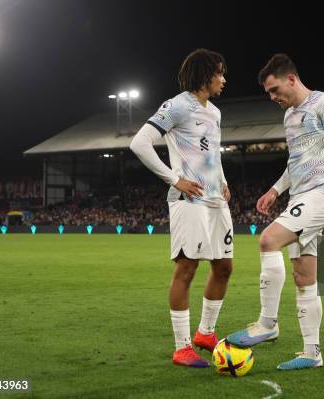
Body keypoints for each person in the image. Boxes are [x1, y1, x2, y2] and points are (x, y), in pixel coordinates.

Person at [226, 54, 324, 370]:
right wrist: (275, 190)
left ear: (292, 79)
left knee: (267, 240)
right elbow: (296, 164)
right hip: (299, 197)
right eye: (268, 93)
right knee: (304, 277)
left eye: (275, 89)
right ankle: (312, 353)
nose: (272, 97)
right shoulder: (290, 117)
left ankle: (267, 323)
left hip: (323, 194)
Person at [129, 48, 232, 368]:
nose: (224, 80)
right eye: (220, 73)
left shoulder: (214, 112)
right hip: (189, 201)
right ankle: (182, 346)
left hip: (216, 199)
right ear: (205, 75)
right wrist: (174, 179)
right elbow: (139, 143)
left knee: (224, 268)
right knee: (187, 268)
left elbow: (211, 153)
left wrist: (224, 180)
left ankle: (205, 333)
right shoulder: (176, 106)